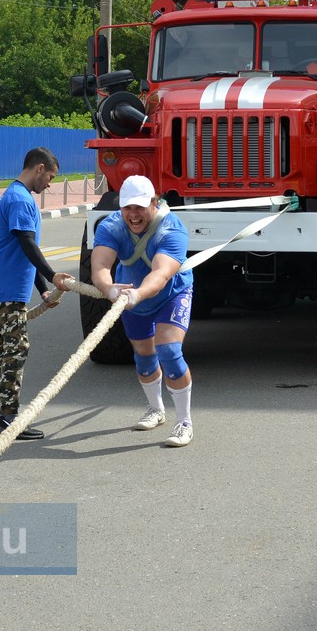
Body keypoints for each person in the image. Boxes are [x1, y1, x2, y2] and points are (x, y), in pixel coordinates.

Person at [90, 175, 197, 446]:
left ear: (154, 202)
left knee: (169, 351)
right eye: (128, 208)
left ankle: (184, 421)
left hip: (170, 294)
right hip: (130, 296)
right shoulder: (110, 226)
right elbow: (100, 267)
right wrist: (109, 289)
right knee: (143, 356)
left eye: (139, 207)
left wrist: (137, 293)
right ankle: (156, 409)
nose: (133, 214)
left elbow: (161, 274)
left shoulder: (172, 230)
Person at [0, 147, 72, 441]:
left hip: (1, 282)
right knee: (16, 348)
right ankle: (8, 418)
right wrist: (53, 275)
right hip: (6, 285)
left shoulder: (13, 194)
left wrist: (43, 289)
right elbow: (27, 243)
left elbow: (21, 248)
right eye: (51, 177)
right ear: (39, 168)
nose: (50, 184)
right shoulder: (20, 199)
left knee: (2, 346)